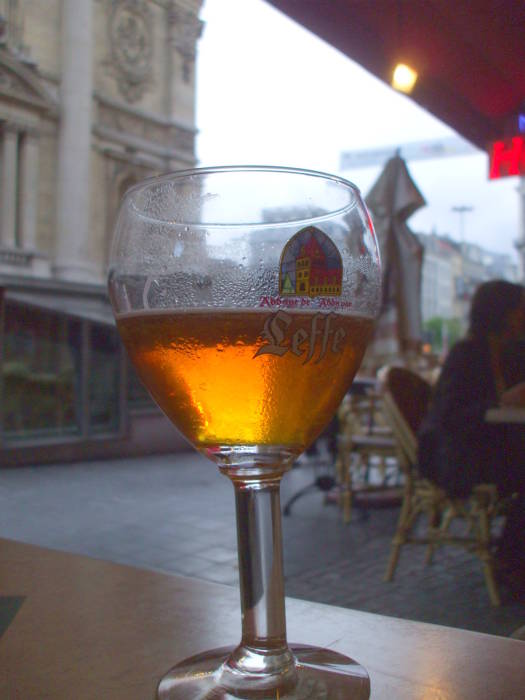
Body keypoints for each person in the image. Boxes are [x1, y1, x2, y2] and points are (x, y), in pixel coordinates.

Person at [417, 279, 525, 595]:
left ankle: (511, 556)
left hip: (496, 450)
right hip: (458, 457)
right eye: (520, 308)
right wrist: (501, 402)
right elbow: (449, 416)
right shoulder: (466, 355)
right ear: (502, 313)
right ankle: (509, 558)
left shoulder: (513, 352)